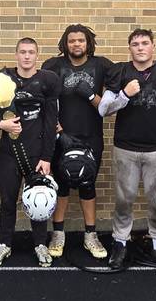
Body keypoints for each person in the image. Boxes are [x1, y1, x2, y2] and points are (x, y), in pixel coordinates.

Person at [98, 28, 156, 275]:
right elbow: (103, 109)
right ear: (130, 48)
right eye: (135, 43)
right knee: (123, 199)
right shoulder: (120, 72)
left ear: (153, 46)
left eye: (144, 43)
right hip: (125, 148)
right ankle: (120, 242)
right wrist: (125, 94)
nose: (140, 47)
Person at [0, 38, 60, 267]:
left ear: (37, 55)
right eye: (22, 52)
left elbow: (51, 122)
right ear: (16, 54)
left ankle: (40, 244)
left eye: (31, 52)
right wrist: (1, 125)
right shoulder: (3, 79)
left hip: (37, 152)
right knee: (7, 200)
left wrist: (47, 157)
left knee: (40, 202)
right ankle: (5, 243)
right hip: (9, 151)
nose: (27, 56)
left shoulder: (48, 80)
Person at [41, 24, 112, 259]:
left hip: (91, 136)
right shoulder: (54, 66)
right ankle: (58, 233)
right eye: (72, 41)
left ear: (88, 42)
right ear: (65, 43)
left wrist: (91, 95)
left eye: (81, 40)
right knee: (61, 184)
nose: (76, 44)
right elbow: (45, 102)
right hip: (62, 135)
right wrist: (56, 128)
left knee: (87, 184)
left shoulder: (101, 66)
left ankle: (90, 235)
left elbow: (109, 107)